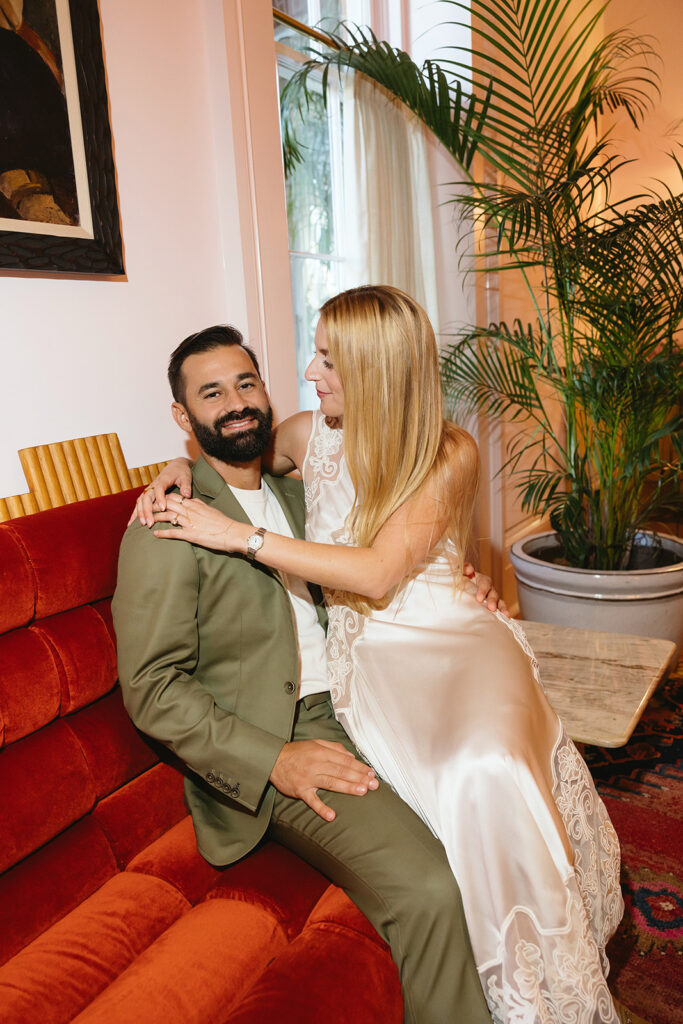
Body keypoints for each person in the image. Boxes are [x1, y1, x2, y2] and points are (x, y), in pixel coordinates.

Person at [143, 287, 626, 1024]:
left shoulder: (446, 448)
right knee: (465, 787)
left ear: (375, 369)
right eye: (314, 353)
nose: (308, 371)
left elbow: (373, 568)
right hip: (372, 660)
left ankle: (553, 984)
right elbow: (233, 454)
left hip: (453, 636)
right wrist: (169, 469)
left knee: (492, 762)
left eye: (329, 360)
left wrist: (234, 535)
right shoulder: (306, 437)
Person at [112, 323, 497, 1024]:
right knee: (431, 888)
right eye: (211, 392)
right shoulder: (169, 521)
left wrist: (456, 580)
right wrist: (275, 759)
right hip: (284, 737)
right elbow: (153, 689)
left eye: (246, 383)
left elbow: (379, 562)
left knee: (492, 833)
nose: (236, 403)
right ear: (183, 417)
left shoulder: (300, 495)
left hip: (372, 708)